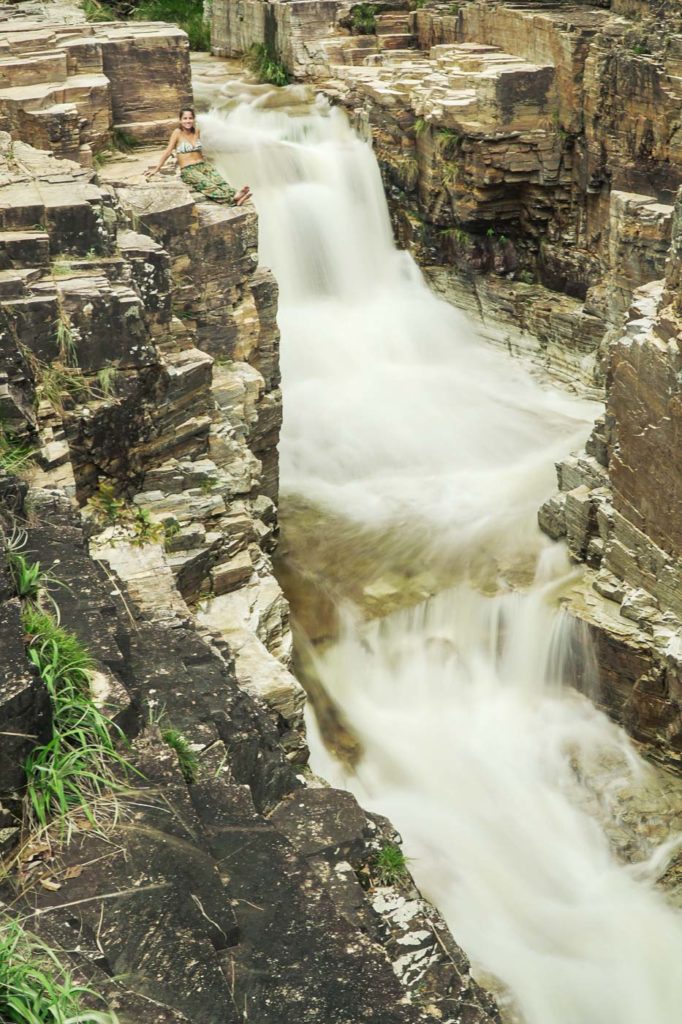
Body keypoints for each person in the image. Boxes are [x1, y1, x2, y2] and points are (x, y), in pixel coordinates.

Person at [145, 107, 251, 206]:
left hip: (203, 165)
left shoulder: (197, 131)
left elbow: (198, 150)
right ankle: (232, 200)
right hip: (188, 170)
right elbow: (168, 151)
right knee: (208, 185)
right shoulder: (177, 133)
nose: (188, 121)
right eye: (185, 118)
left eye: (190, 118)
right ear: (180, 120)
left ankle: (235, 193)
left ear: (194, 119)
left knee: (219, 180)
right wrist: (157, 168)